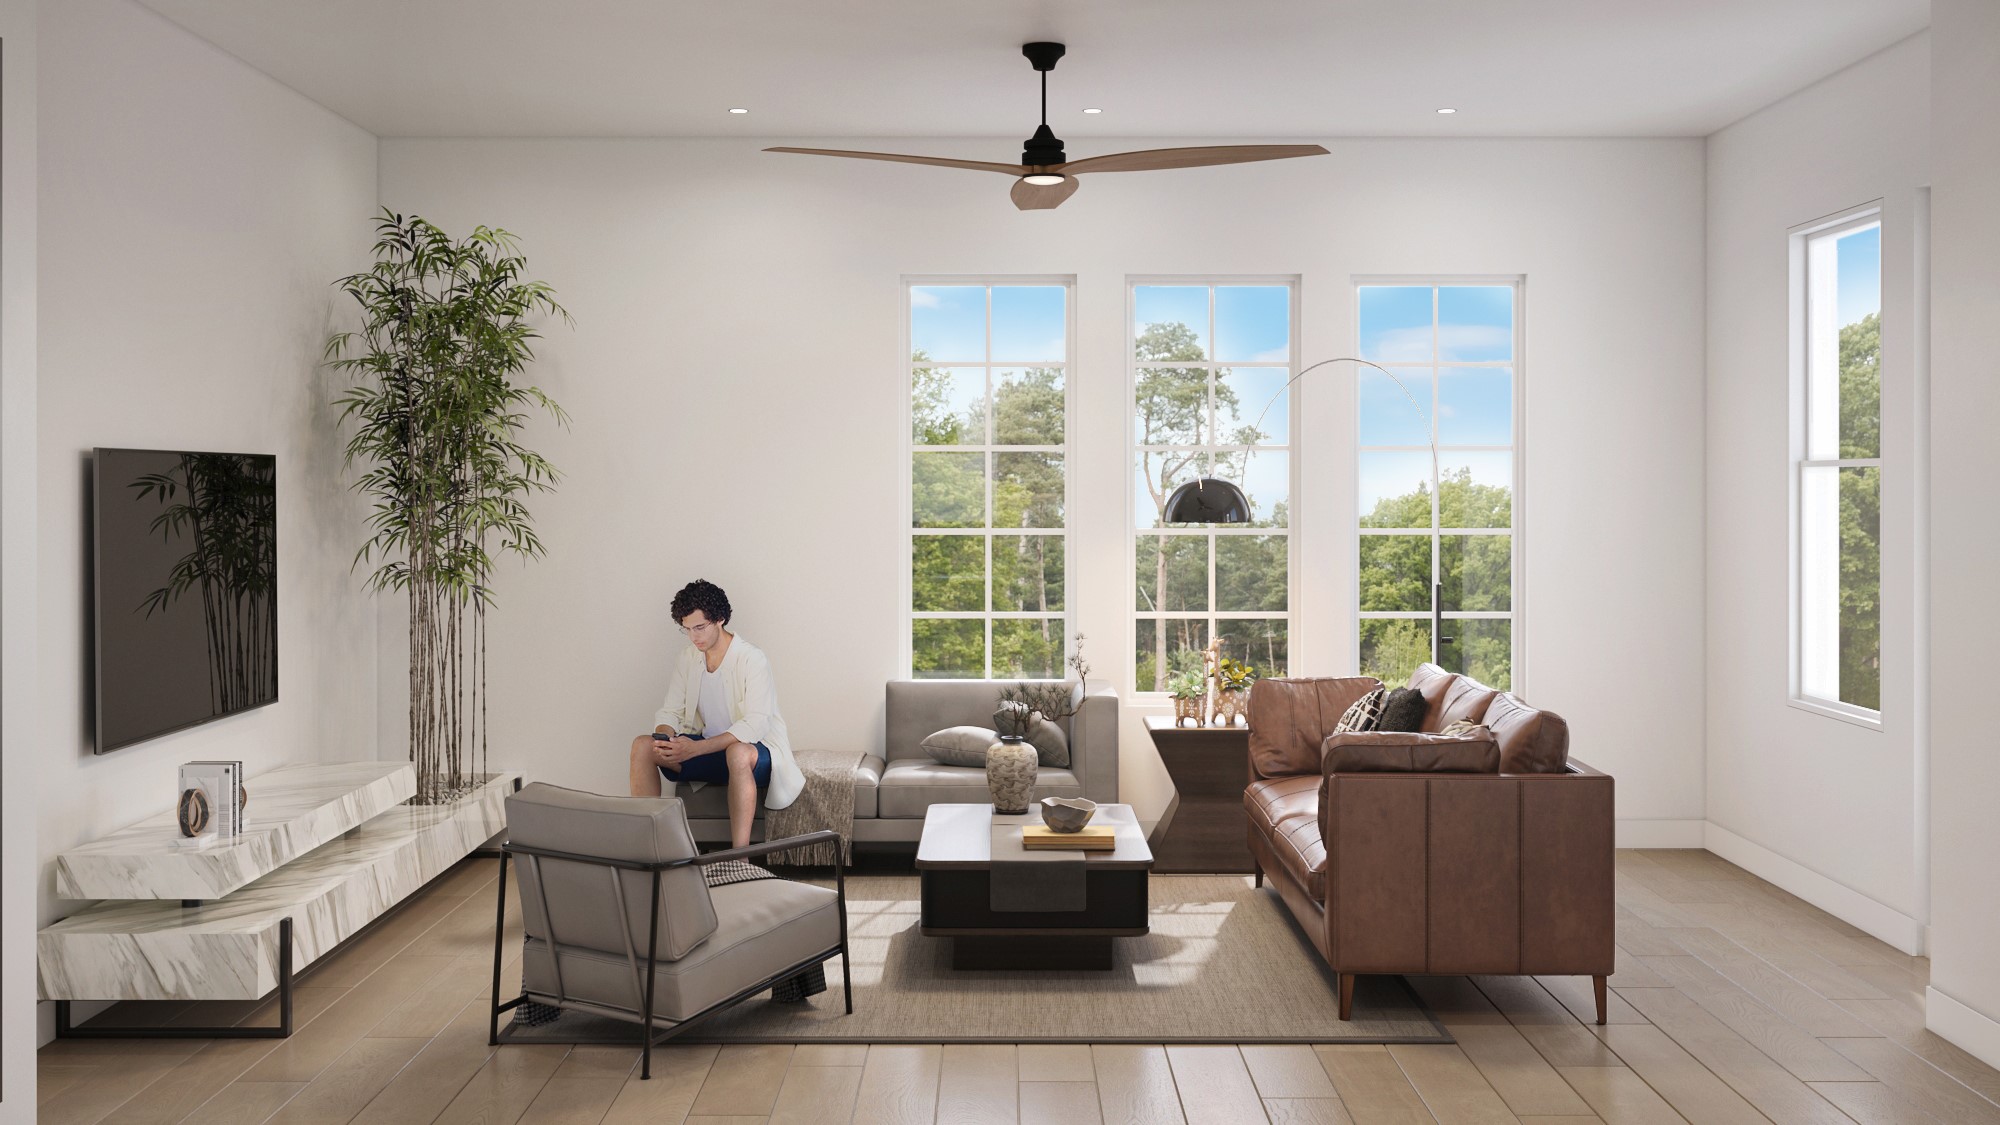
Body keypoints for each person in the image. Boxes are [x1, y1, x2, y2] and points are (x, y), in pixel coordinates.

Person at [629, 579, 804, 848]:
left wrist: (696, 750)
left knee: (737, 752)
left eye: (700, 627)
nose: (694, 637)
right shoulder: (688, 658)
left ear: (720, 619)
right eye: (687, 629)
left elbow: (756, 724)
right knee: (643, 745)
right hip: (710, 751)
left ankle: (740, 856)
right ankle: (649, 850)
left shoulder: (752, 658)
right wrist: (666, 738)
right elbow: (670, 711)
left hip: (757, 753)